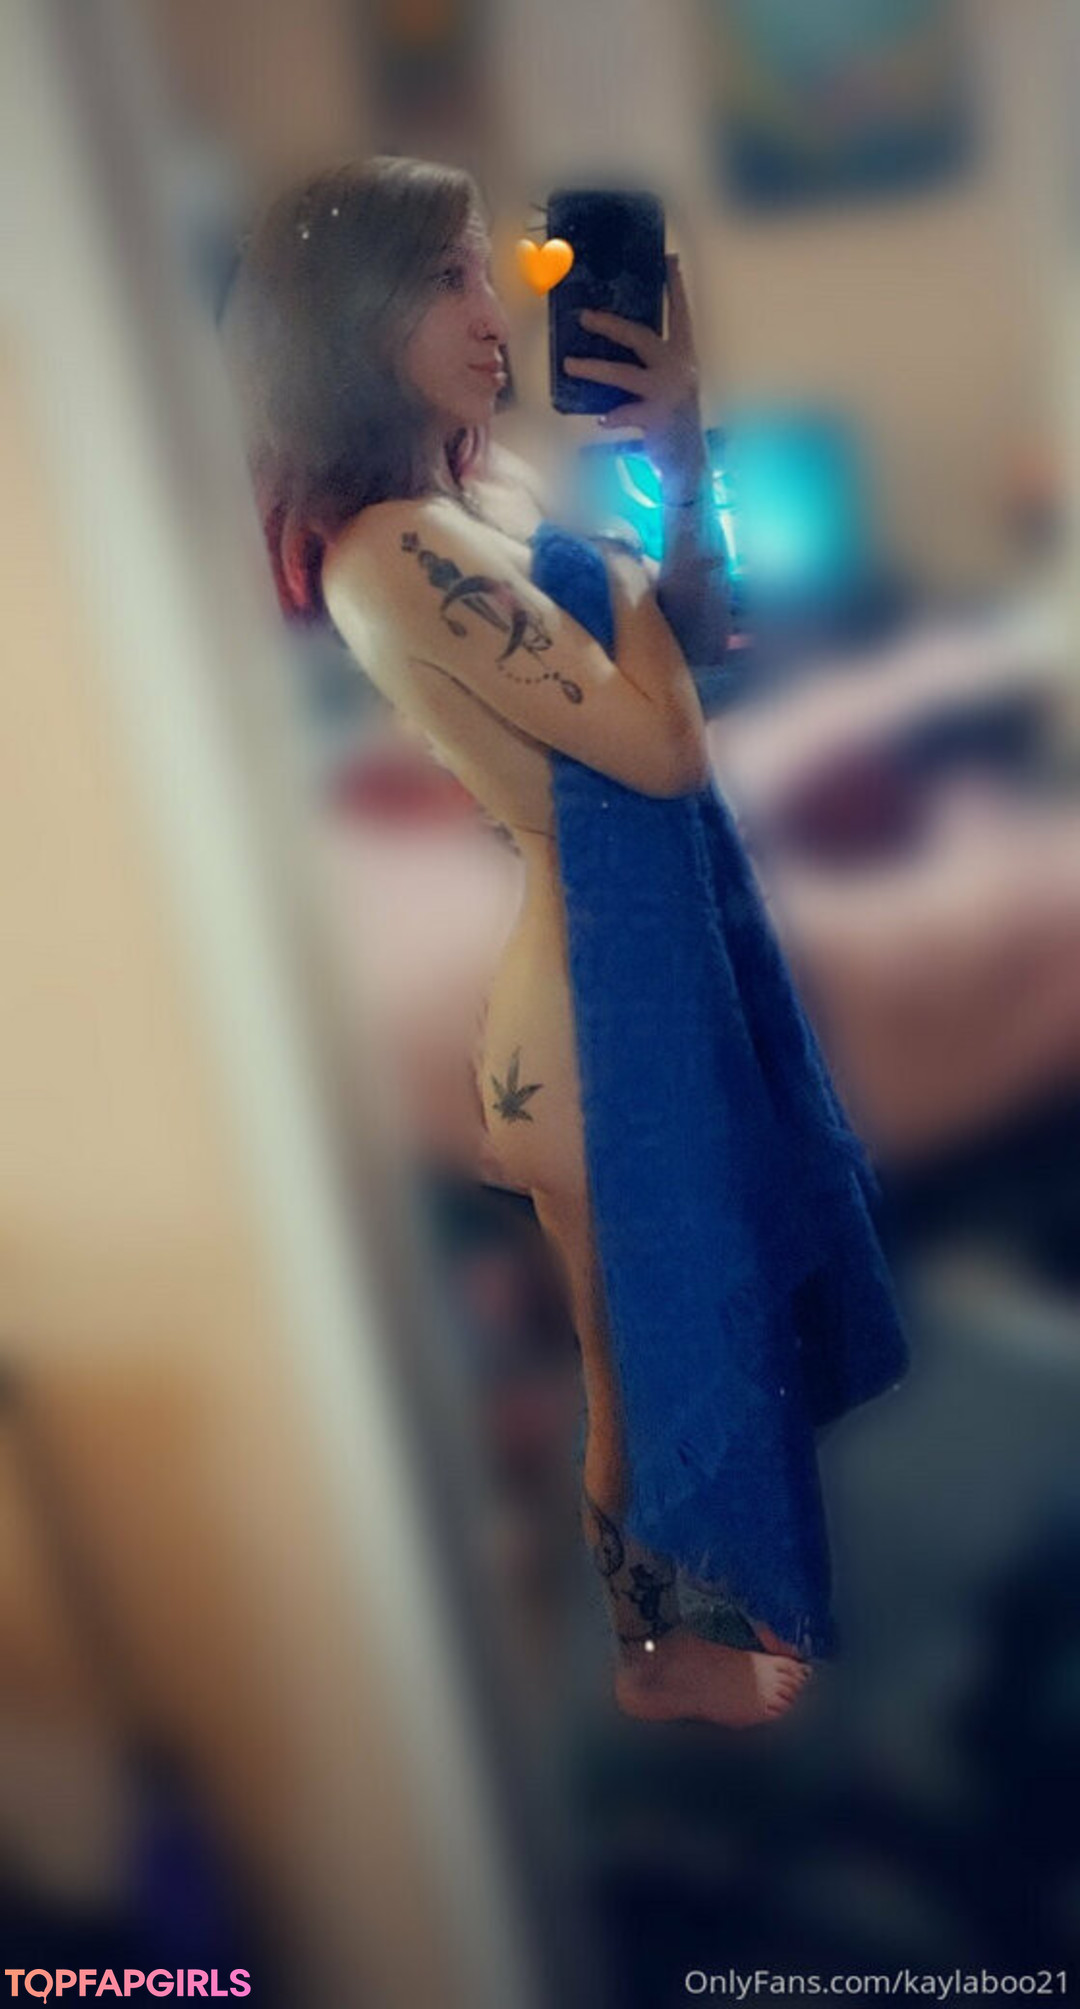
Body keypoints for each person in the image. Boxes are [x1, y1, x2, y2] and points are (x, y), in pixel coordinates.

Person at [224, 156, 901, 1726]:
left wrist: (675, 444)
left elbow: (698, 635)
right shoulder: (393, 550)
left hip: (616, 975)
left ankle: (665, 1638)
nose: (498, 309)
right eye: (452, 276)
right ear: (353, 319)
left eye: (497, 267)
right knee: (633, 1358)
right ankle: (653, 1654)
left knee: (647, 1339)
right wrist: (638, 582)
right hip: (583, 1009)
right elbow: (662, 743)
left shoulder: (488, 494)